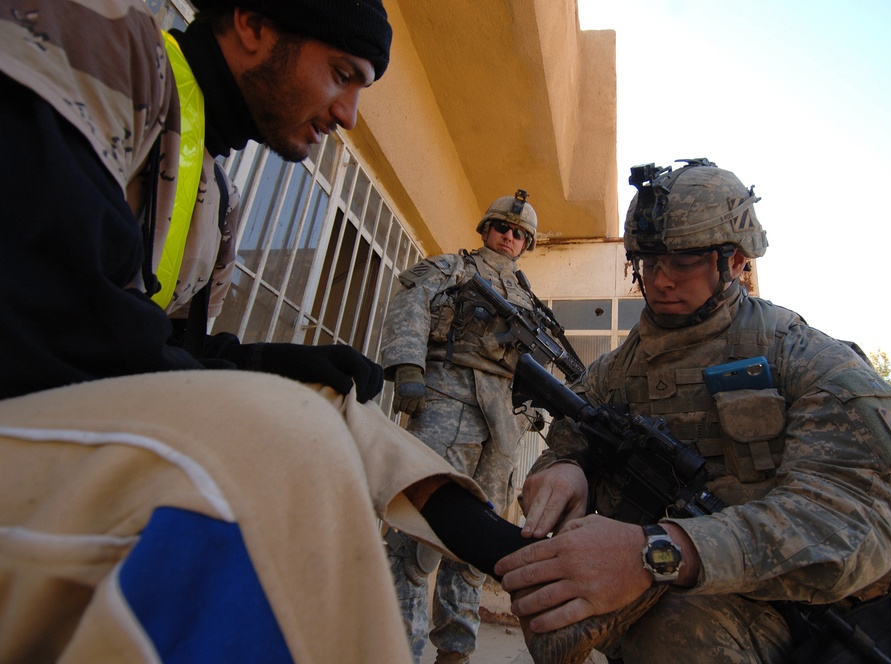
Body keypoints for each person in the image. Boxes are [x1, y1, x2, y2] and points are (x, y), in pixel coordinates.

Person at [0, 1, 531, 660]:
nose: (348, 114)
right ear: (252, 25)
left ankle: (521, 559)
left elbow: (160, 351)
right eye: (342, 74)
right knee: (282, 424)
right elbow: (49, 308)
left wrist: (269, 362)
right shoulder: (94, 46)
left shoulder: (212, 190)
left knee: (328, 401)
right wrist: (271, 385)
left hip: (58, 421)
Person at [495, 159, 891, 663]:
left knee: (674, 633)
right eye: (649, 262)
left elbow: (852, 521)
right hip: (691, 602)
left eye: (684, 261)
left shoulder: (803, 357)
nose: (661, 280)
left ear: (735, 260)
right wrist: (565, 468)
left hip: (813, 610)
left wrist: (660, 551)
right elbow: (563, 448)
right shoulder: (612, 375)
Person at [380, 190, 552, 663]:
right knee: (415, 534)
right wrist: (408, 369)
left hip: (500, 428)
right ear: (485, 229)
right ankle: (402, 649)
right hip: (444, 405)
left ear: (526, 245)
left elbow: (537, 367)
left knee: (478, 546)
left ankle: (455, 650)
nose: (508, 237)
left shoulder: (531, 304)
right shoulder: (450, 269)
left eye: (518, 234)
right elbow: (410, 307)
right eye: (501, 227)